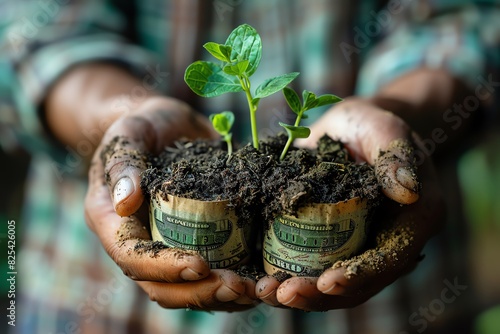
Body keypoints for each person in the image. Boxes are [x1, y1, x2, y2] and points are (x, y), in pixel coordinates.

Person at [1, 0, 498, 333]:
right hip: (98, 309)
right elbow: (33, 30)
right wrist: (120, 119)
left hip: (394, 313)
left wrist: (400, 117)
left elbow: (456, 20)